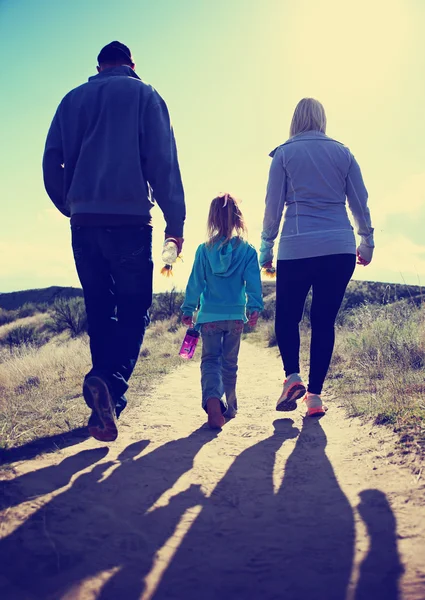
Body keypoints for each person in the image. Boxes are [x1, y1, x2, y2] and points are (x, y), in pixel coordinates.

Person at [43, 41, 185, 442]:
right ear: (132, 64)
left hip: (84, 222)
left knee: (100, 310)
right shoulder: (145, 95)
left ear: (99, 66)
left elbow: (51, 159)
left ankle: (105, 408)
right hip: (130, 222)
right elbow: (163, 163)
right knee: (136, 309)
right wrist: (176, 223)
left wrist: (70, 204)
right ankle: (107, 382)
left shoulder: (71, 100)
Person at [260, 98, 374, 417]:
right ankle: (314, 398)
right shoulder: (343, 153)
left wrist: (266, 248)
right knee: (323, 321)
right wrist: (367, 242)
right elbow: (359, 202)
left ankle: (293, 377)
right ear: (322, 119)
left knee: (287, 317)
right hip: (338, 247)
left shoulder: (283, 154)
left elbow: (273, 207)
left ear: (294, 119)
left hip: (296, 247)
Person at [181, 194, 264, 428]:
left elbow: (195, 282)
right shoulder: (247, 251)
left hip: (209, 318)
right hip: (235, 317)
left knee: (210, 361)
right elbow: (253, 284)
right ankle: (232, 405)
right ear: (238, 219)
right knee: (230, 363)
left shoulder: (203, 250)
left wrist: (189, 308)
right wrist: (254, 307)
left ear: (213, 219)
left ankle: (213, 402)